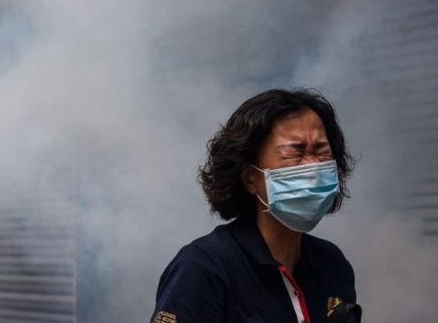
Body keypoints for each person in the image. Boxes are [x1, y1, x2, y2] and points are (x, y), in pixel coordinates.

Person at [150, 89, 360, 323]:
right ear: (250, 178)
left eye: (322, 151)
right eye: (294, 152)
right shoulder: (205, 267)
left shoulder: (331, 264)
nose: (312, 166)